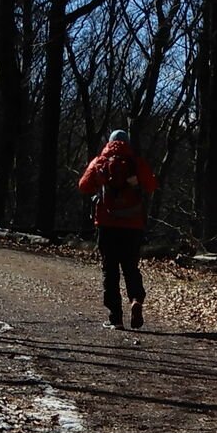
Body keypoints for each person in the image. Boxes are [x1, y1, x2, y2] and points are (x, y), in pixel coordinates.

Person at [77, 130, 159, 329]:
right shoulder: (136, 162)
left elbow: (83, 186)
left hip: (107, 224)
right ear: (127, 142)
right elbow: (151, 186)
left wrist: (100, 184)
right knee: (131, 267)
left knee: (110, 269)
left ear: (109, 142)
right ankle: (136, 300)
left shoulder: (100, 161)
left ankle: (116, 318)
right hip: (133, 225)